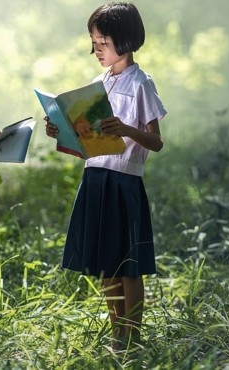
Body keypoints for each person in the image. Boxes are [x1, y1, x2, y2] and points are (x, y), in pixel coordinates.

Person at [44, 2, 166, 350]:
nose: (95, 50)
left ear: (124, 40)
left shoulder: (142, 82)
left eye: (101, 43)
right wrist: (62, 130)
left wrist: (126, 128)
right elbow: (85, 140)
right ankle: (118, 334)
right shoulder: (98, 83)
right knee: (106, 263)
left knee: (130, 264)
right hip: (95, 177)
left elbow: (156, 141)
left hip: (124, 180)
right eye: (93, 43)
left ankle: (134, 336)